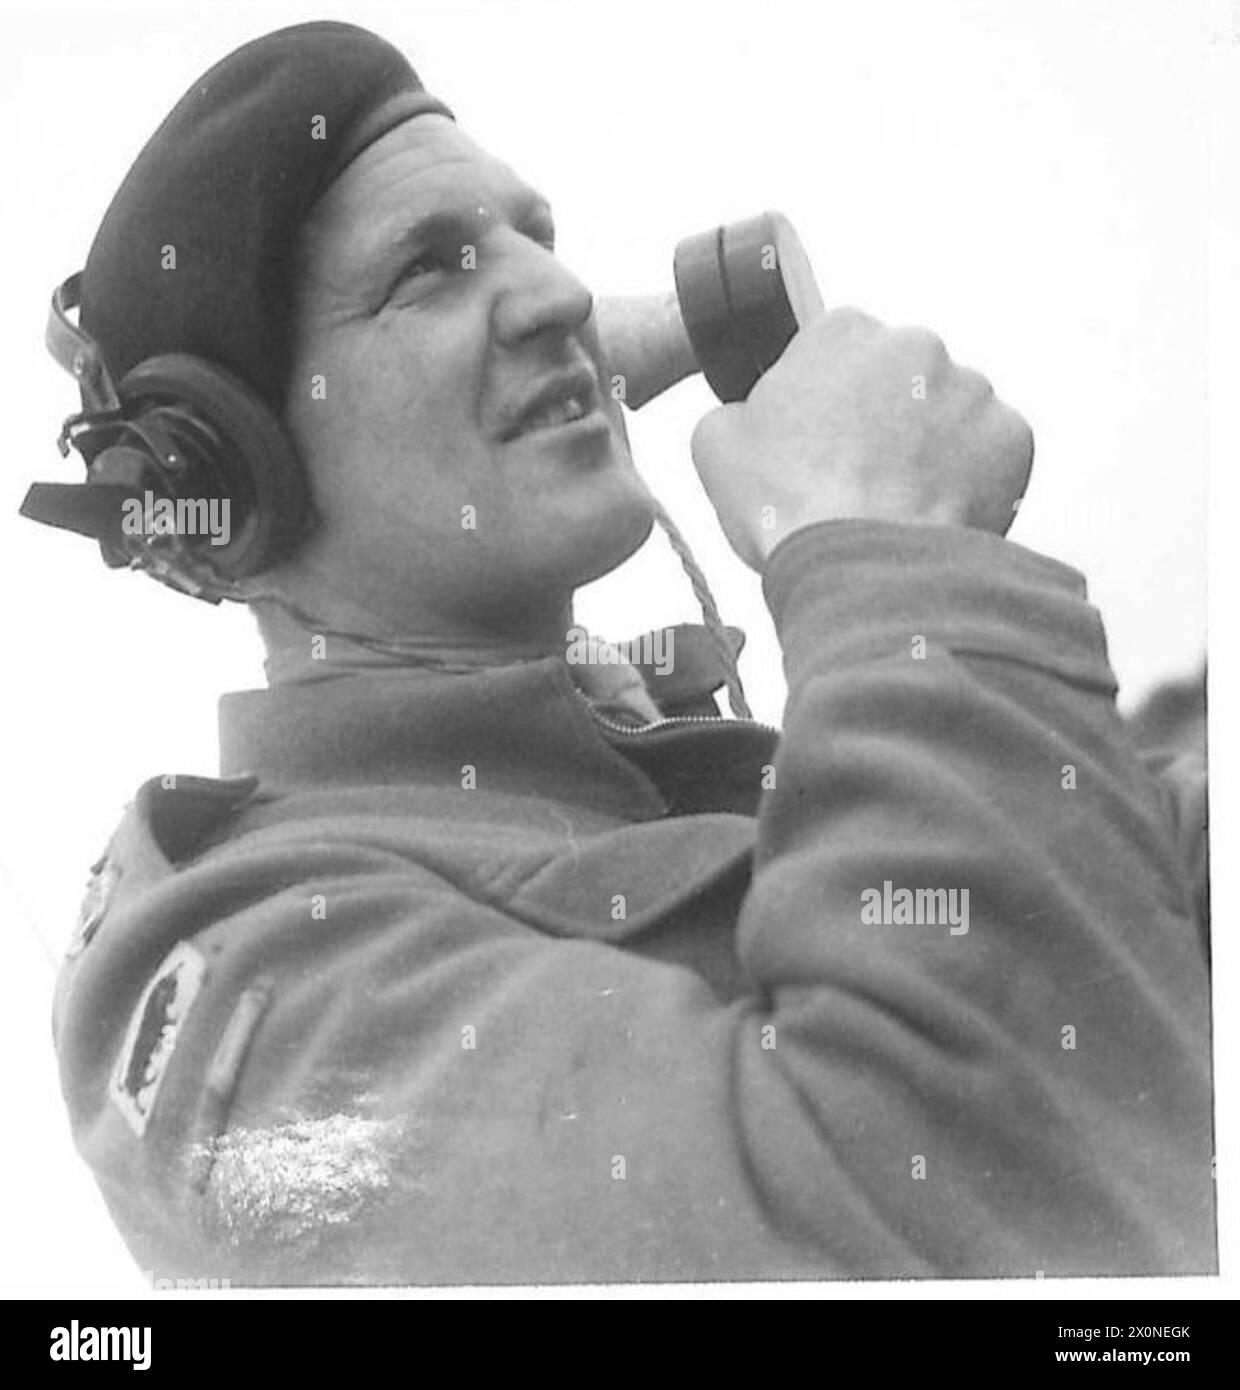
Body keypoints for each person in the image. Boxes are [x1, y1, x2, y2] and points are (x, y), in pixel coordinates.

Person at [41, 21, 1213, 1284]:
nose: (558, 295)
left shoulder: (700, 768)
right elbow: (989, 1217)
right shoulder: (260, 984)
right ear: (235, 471)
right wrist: (896, 561)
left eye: (530, 237)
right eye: (429, 270)